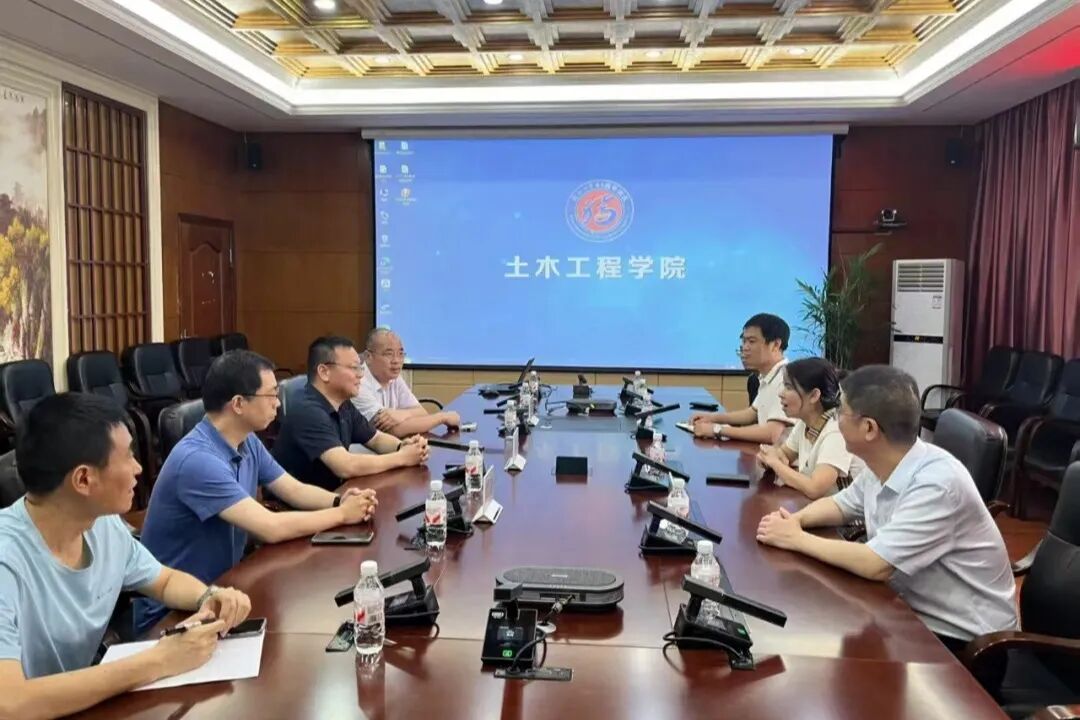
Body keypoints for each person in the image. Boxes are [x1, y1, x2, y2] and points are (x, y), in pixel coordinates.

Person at [0, 393, 252, 719]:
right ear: (83, 479)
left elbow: (163, 580)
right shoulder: (7, 558)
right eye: (128, 456)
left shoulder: (101, 524)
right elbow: (9, 703)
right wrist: (160, 660)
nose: (139, 468)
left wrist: (209, 596)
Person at [756, 365, 1017, 649]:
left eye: (841, 411)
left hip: (962, 638)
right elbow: (841, 505)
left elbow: (875, 564)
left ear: (869, 428)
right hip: (905, 610)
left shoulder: (937, 484)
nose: (834, 417)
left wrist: (796, 539)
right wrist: (795, 520)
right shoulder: (884, 461)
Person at [136, 350, 379, 635]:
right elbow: (270, 527)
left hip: (226, 589)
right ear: (238, 404)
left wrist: (340, 500)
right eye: (271, 395)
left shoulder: (246, 440)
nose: (278, 403)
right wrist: (342, 515)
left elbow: (292, 488)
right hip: (175, 613)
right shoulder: (198, 460)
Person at [273, 336, 430, 491]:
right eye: (354, 368)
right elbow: (346, 466)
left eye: (360, 368)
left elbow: (376, 439)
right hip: (298, 504)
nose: (360, 375)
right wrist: (402, 457)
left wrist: (404, 446)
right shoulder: (307, 411)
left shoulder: (343, 404)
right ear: (324, 372)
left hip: (336, 493)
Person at [756, 358, 861, 499]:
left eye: (788, 387)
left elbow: (815, 489)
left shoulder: (837, 430)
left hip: (848, 513)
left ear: (814, 395)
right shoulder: (804, 422)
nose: (781, 393)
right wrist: (768, 457)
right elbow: (784, 454)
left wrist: (774, 462)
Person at [690, 313, 794, 444]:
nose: (745, 348)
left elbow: (772, 434)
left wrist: (717, 430)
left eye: (751, 341)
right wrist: (712, 418)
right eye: (744, 341)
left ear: (776, 345)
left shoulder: (786, 379)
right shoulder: (767, 376)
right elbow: (752, 413)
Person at [352, 328, 461, 437]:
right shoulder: (357, 383)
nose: (396, 361)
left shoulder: (393, 377)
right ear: (368, 357)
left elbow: (421, 413)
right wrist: (442, 417)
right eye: (389, 354)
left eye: (400, 354)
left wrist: (401, 414)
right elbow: (394, 430)